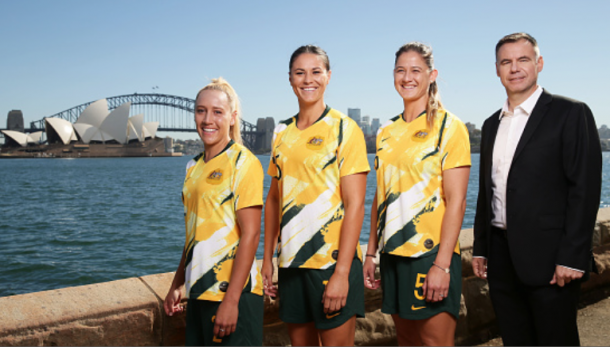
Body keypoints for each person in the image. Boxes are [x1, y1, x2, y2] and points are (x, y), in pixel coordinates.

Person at [472, 32, 602, 346]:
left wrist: (572, 257)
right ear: (497, 69)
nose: (514, 68)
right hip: (501, 258)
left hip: (551, 258)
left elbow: (584, 189)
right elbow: (488, 191)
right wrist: (480, 246)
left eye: (523, 60)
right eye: (506, 61)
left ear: (539, 64)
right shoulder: (491, 124)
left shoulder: (570, 113)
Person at [363, 42, 471, 346]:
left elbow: (457, 202)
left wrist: (442, 264)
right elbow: (379, 199)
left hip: (429, 256)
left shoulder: (450, 127)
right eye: (400, 70)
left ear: (431, 75)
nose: (407, 77)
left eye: (415, 70)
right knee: (407, 341)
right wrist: (371, 252)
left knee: (435, 343)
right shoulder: (385, 132)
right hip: (392, 255)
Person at [262, 45, 370, 346]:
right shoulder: (281, 133)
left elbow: (356, 205)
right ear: (290, 79)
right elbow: (273, 199)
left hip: (331, 263)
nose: (308, 79)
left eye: (315, 71)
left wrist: (342, 273)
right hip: (291, 265)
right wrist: (268, 257)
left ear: (328, 76)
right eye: (300, 72)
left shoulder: (345, 129)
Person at [163, 77, 264, 346]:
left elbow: (251, 235)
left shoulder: (244, 162)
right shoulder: (192, 168)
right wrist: (177, 285)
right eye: (201, 111)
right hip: (198, 294)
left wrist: (231, 302)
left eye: (217, 112)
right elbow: (195, 235)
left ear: (232, 117)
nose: (208, 119)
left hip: (234, 295)